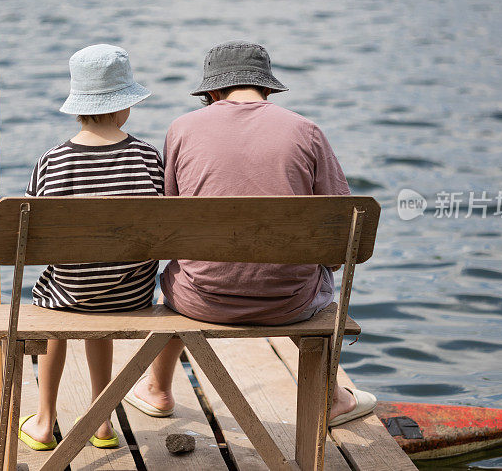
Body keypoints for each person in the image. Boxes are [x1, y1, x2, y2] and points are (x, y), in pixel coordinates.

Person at [123, 40, 376, 426]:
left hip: (199, 300)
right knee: (316, 274)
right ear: (267, 88)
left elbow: (169, 222)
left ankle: (157, 390)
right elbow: (342, 229)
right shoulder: (306, 130)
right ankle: (331, 396)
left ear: (211, 91)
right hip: (289, 303)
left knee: (178, 272)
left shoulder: (181, 129)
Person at [18, 44, 163, 450]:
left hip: (70, 293)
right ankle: (102, 422)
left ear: (78, 105)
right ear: (125, 106)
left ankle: (44, 422)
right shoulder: (148, 156)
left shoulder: (53, 160)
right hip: (131, 295)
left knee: (57, 295)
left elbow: (37, 241)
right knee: (106, 279)